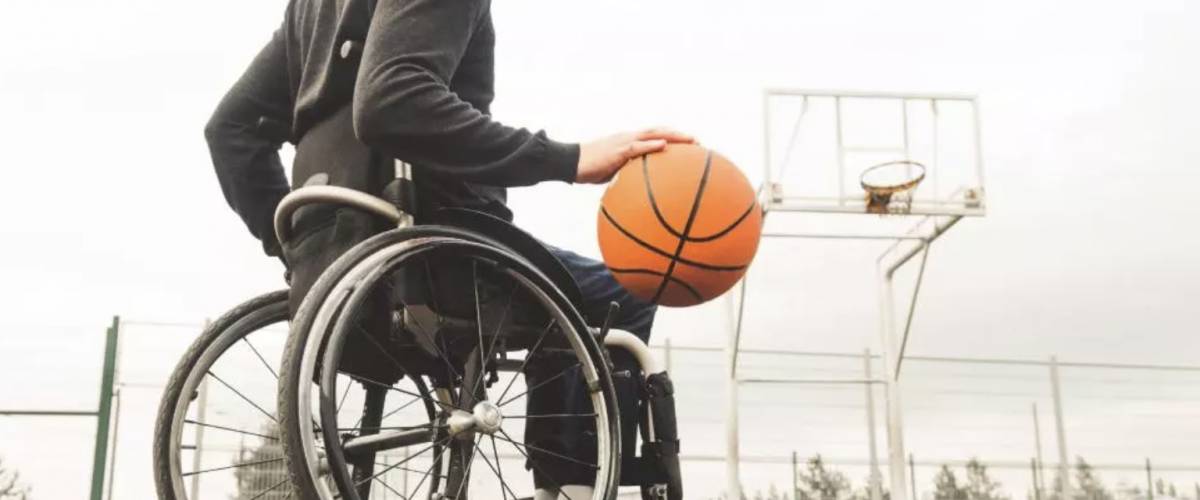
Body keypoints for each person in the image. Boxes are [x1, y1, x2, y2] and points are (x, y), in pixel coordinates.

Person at [203, 0, 692, 496]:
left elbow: (230, 131)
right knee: (621, 290)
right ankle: (569, 485)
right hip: (445, 254)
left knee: (552, 286)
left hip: (345, 268)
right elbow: (391, 101)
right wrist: (569, 158)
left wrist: (300, 247)